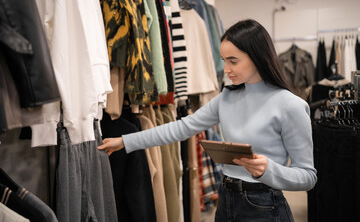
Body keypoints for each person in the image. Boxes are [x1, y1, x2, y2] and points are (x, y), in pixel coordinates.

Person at [98, 19, 317, 221]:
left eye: (233, 61)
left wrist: (268, 169)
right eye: (224, 61)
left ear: (258, 56)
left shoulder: (291, 105)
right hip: (226, 200)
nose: (227, 69)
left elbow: (308, 177)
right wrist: (126, 142)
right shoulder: (227, 97)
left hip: (265, 205)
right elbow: (181, 128)